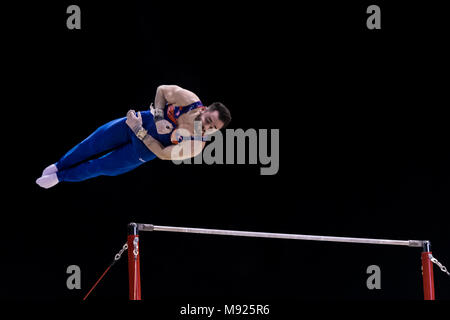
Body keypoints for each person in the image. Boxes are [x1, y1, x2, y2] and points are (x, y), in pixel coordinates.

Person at [36, 85, 232, 189]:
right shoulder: (189, 100)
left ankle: (60, 177)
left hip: (141, 150)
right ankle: (59, 165)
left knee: (100, 166)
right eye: (208, 120)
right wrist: (158, 117)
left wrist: (140, 132)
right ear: (204, 109)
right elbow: (162, 90)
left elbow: (163, 154)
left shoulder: (196, 145)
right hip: (140, 121)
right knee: (92, 143)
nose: (207, 128)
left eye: (213, 128)